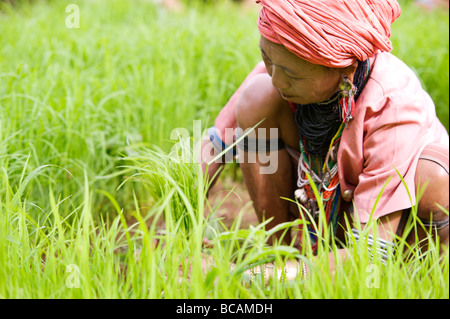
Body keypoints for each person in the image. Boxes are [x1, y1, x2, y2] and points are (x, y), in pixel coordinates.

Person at [200, 0, 449, 279]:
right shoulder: (282, 68)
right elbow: (213, 147)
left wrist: (245, 276)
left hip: (390, 230)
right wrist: (181, 218)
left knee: (432, 176)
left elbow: (369, 252)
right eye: (267, 59)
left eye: (292, 74)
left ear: (344, 71)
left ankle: (415, 274)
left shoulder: (395, 107)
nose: (277, 81)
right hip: (329, 209)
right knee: (256, 98)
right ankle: (280, 252)